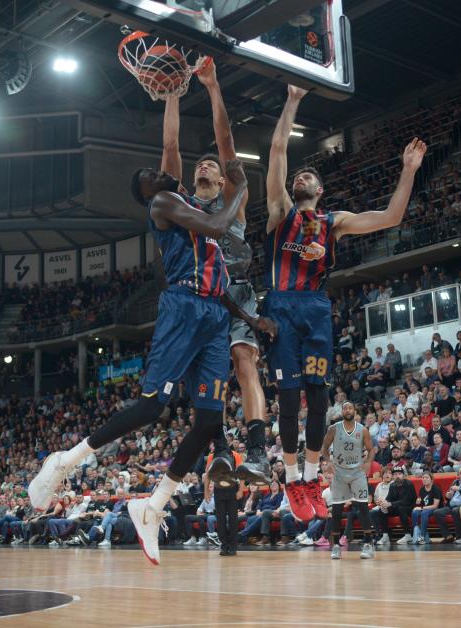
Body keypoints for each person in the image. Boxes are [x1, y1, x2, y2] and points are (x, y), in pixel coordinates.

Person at [28, 159, 269, 566]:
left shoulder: (195, 210)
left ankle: (153, 506)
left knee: (210, 421)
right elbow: (216, 226)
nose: (158, 173)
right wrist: (240, 188)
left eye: (156, 171)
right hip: (183, 307)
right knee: (152, 405)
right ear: (147, 193)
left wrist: (251, 319)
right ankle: (64, 461)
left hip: (214, 315)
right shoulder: (164, 203)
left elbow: (220, 281)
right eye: (149, 176)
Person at [263, 83, 427, 521]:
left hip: (315, 308)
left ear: (321, 188)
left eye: (309, 176)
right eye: (298, 176)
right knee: (289, 397)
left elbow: (391, 217)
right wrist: (293, 101)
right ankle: (293, 479)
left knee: (319, 398)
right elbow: (278, 150)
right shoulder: (281, 211)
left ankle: (312, 476)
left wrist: (408, 170)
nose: (301, 177)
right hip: (281, 305)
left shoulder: (333, 223)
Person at [159, 58, 271, 485]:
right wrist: (171, 96)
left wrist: (212, 87)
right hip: (198, 300)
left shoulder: (233, 201)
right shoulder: (183, 206)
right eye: (200, 164)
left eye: (212, 165)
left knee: (245, 362)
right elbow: (170, 152)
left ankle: (258, 454)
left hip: (236, 292)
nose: (206, 165)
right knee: (205, 381)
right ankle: (222, 450)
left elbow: (226, 141)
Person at [321, 401, 376, 559]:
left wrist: (368, 463)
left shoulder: (362, 430)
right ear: (342, 411)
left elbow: (371, 450)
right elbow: (324, 448)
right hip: (339, 473)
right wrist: (328, 461)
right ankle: (336, 545)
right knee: (337, 511)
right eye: (345, 408)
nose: (348, 410)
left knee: (363, 508)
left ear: (355, 411)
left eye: (350, 408)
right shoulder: (334, 429)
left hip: (357, 473)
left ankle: (368, 544)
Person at [433, 466, 461, 543]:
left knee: (455, 510)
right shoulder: (455, 482)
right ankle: (448, 536)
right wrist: (447, 496)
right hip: (451, 506)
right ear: (458, 475)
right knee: (437, 512)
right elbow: (448, 496)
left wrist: (460, 489)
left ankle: (459, 536)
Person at [375, 466, 417, 545]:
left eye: (399, 474)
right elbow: (389, 498)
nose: (397, 476)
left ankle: (408, 535)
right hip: (397, 507)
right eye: (395, 474)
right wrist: (383, 502)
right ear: (393, 476)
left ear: (403, 475)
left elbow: (406, 501)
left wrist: (390, 504)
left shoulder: (409, 484)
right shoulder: (392, 485)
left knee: (401, 508)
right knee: (382, 509)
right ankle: (385, 536)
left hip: (409, 507)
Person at [411, 471, 442, 545]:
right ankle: (416, 535)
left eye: (426, 477)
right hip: (426, 509)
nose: (424, 479)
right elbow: (423, 505)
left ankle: (422, 537)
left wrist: (422, 508)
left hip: (436, 509)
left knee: (424, 512)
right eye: (423, 477)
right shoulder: (421, 490)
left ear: (431, 479)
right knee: (414, 512)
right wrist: (418, 504)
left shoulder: (436, 489)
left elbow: (435, 506)